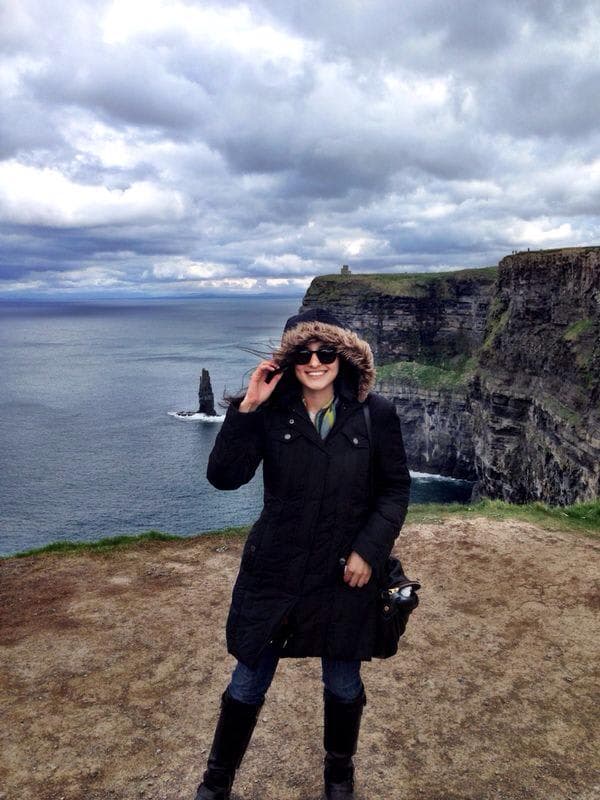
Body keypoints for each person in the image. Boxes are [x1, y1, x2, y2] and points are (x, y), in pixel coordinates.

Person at [194, 308, 411, 800]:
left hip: (343, 574)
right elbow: (224, 477)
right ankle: (215, 785)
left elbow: (395, 490)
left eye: (327, 352)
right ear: (291, 359)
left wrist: (368, 552)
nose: (316, 362)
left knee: (342, 681)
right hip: (277, 569)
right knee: (248, 680)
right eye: (305, 353)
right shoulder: (270, 412)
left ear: (344, 355)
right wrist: (248, 407)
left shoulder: (375, 414)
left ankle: (339, 779)